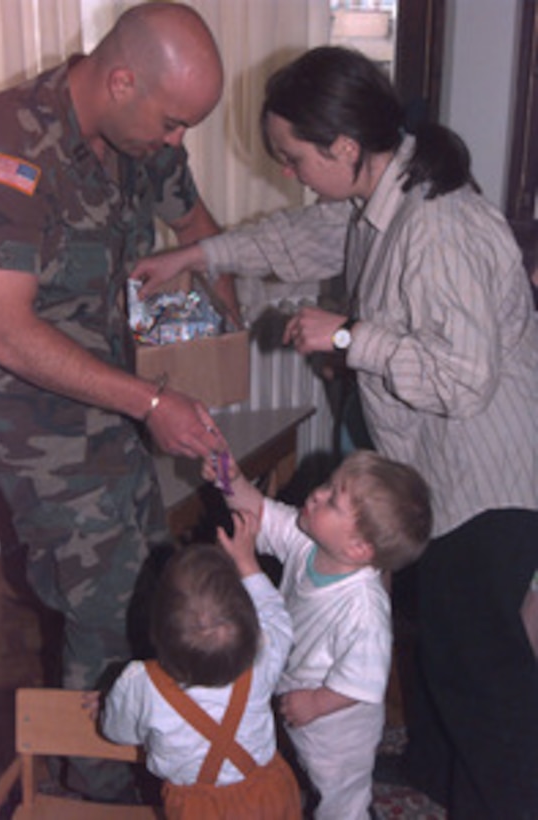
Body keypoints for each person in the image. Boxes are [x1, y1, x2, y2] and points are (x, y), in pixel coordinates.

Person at [132, 45, 538, 820]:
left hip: (490, 478)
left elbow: (464, 378)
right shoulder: (380, 197)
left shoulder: (439, 227)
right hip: (439, 474)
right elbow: (299, 238)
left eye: (293, 156)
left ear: (344, 147)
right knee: (440, 646)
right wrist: (196, 253)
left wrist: (351, 337)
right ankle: (432, 774)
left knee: (478, 669)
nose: (290, 171)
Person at [0, 1, 237, 801]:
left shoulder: (143, 132)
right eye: (172, 122)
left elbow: (195, 224)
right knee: (102, 618)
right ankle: (92, 793)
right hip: (44, 430)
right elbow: (5, 332)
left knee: (144, 591)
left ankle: (142, 757)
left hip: (131, 406)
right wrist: (149, 402)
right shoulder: (13, 145)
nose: (176, 141)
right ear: (123, 78)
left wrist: (219, 316)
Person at [202, 446, 432, 820]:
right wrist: (230, 479)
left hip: (337, 726)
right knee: (300, 769)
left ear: (358, 547)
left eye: (331, 500)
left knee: (341, 794)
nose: (316, 494)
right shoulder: (308, 541)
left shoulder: (364, 608)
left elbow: (363, 681)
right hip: (298, 685)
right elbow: (260, 512)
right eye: (327, 484)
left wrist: (316, 703)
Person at [100, 538, 302, 819]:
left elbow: (118, 732)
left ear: (155, 629)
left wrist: (111, 701)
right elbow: (277, 616)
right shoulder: (264, 654)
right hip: (267, 792)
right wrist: (247, 562)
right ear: (250, 623)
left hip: (198, 809)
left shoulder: (141, 684)